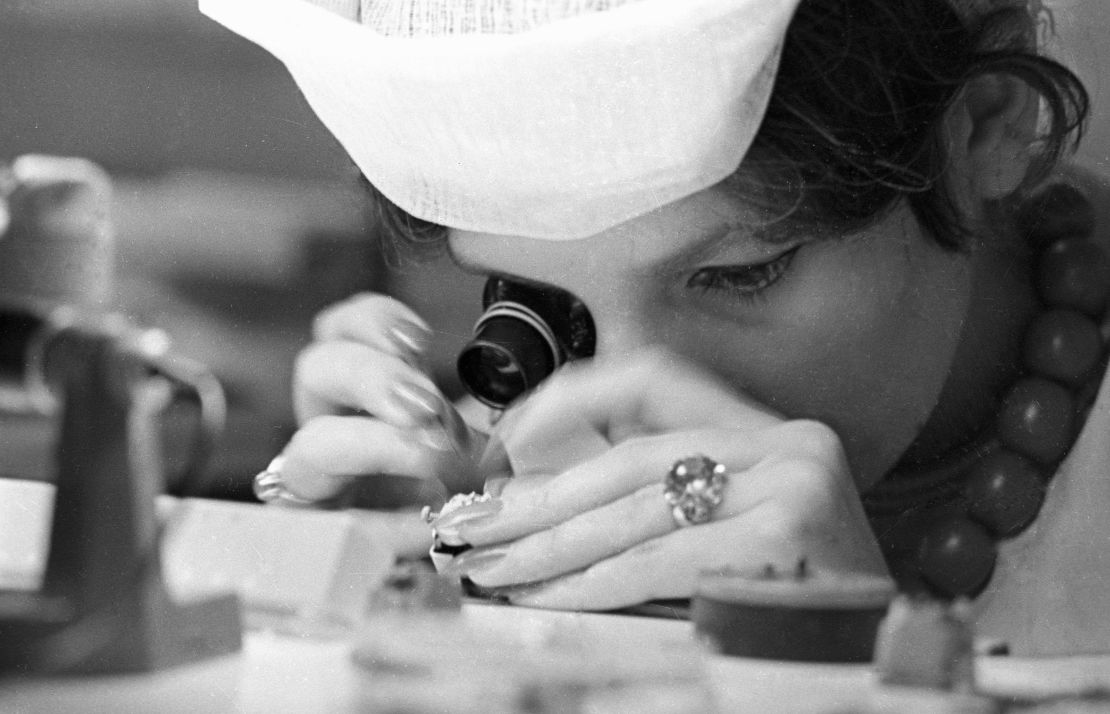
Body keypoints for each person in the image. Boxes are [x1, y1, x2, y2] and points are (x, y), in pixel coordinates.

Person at [202, 0, 1110, 655]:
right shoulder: (509, 436)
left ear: (985, 130)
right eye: (539, 301)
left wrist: (837, 672)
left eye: (740, 274)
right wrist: (374, 594)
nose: (620, 420)